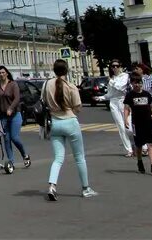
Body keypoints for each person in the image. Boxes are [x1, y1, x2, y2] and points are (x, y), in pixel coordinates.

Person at [42, 58, 97, 201]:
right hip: (70, 121)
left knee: (58, 158)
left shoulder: (46, 84)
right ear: (66, 71)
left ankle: (52, 186)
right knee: (79, 157)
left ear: (54, 70)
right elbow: (78, 107)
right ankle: (86, 189)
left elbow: (43, 102)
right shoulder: (71, 86)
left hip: (54, 123)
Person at [0, 65, 30, 168]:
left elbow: (17, 98)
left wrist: (11, 108)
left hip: (15, 115)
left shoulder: (13, 84)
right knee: (6, 139)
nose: (1, 74)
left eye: (3, 72)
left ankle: (25, 155)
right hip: (3, 116)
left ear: (7, 73)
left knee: (14, 138)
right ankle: (11, 162)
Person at [124, 72, 152, 175]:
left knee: (150, 144)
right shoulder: (130, 95)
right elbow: (127, 108)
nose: (137, 85)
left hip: (148, 122)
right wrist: (125, 119)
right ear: (132, 84)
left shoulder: (146, 94)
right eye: (135, 83)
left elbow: (151, 108)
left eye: (139, 83)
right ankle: (140, 162)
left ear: (142, 83)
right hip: (137, 123)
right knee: (139, 145)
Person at [105, 62, 134, 156]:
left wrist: (111, 81)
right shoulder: (112, 78)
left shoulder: (124, 76)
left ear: (120, 67)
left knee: (129, 127)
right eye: (113, 66)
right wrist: (100, 98)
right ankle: (129, 149)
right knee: (121, 127)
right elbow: (110, 94)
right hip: (113, 103)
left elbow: (121, 87)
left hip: (123, 101)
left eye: (117, 66)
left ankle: (139, 145)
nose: (115, 68)